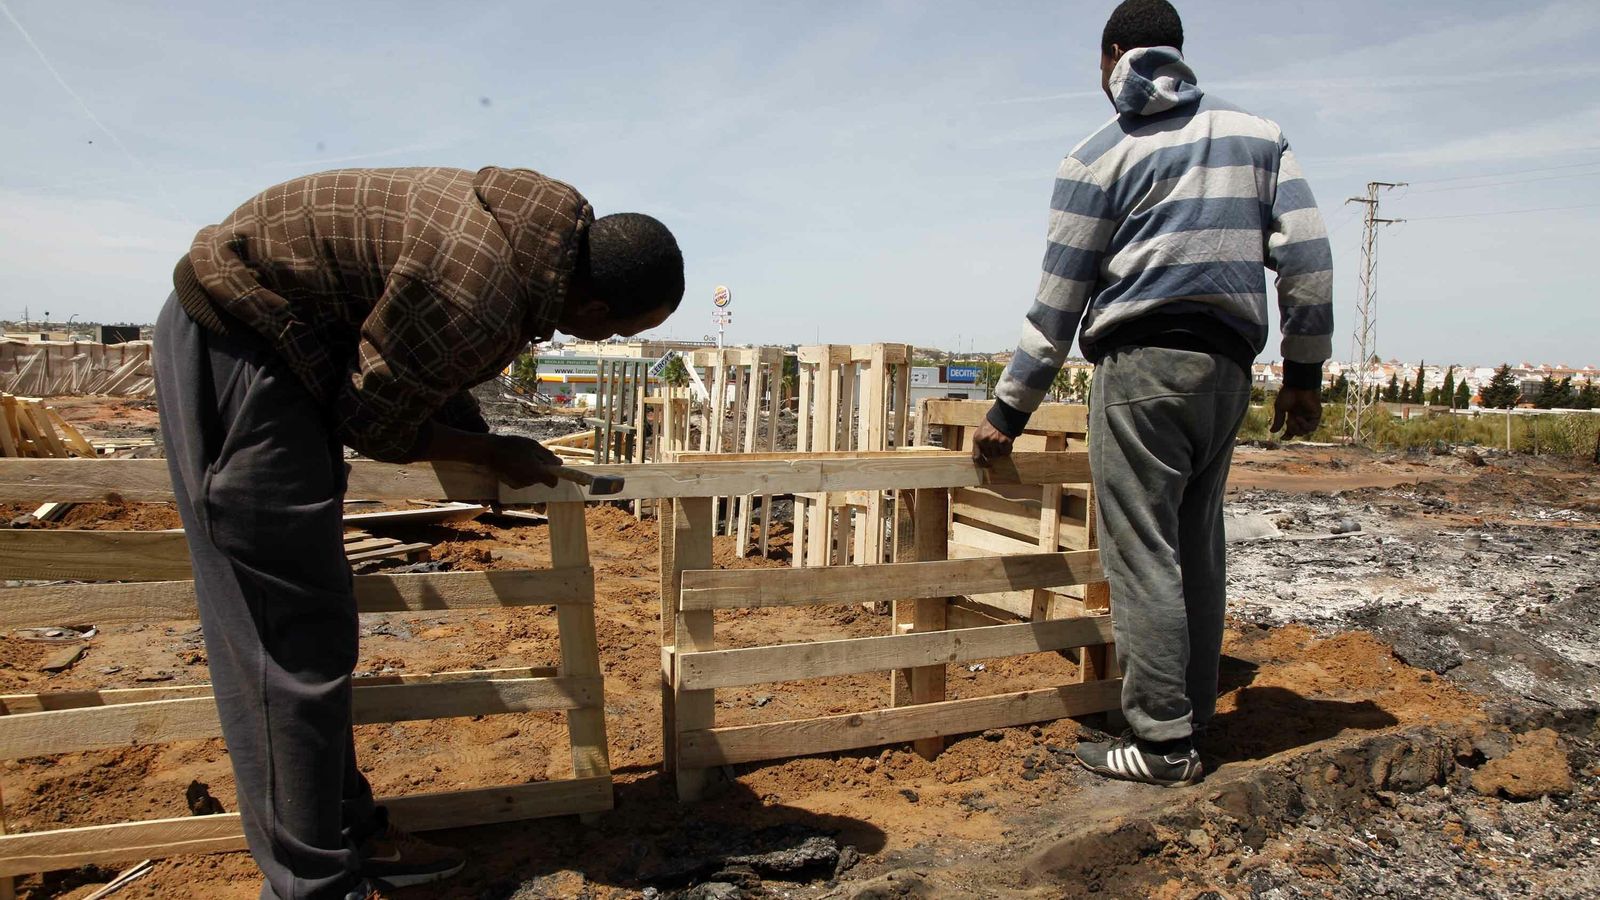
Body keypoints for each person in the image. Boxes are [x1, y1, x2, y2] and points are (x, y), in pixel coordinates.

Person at [154, 166, 684, 900]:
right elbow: (373, 421)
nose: (616, 340)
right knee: (285, 639)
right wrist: (488, 452)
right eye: (624, 330)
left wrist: (477, 435)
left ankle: (345, 836)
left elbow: (420, 360)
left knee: (315, 626)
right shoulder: (480, 288)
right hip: (238, 341)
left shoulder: (529, 245)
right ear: (592, 307)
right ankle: (315, 884)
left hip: (286, 349)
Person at [973, 0, 1333, 787]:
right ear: (1177, 52)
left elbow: (1059, 300)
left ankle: (1161, 743)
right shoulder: (1258, 137)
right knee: (1196, 547)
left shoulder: (1096, 157)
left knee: (1143, 556)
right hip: (1227, 372)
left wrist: (1008, 410)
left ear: (1112, 57)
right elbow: (1308, 258)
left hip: (1141, 372)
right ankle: (1191, 719)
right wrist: (1304, 375)